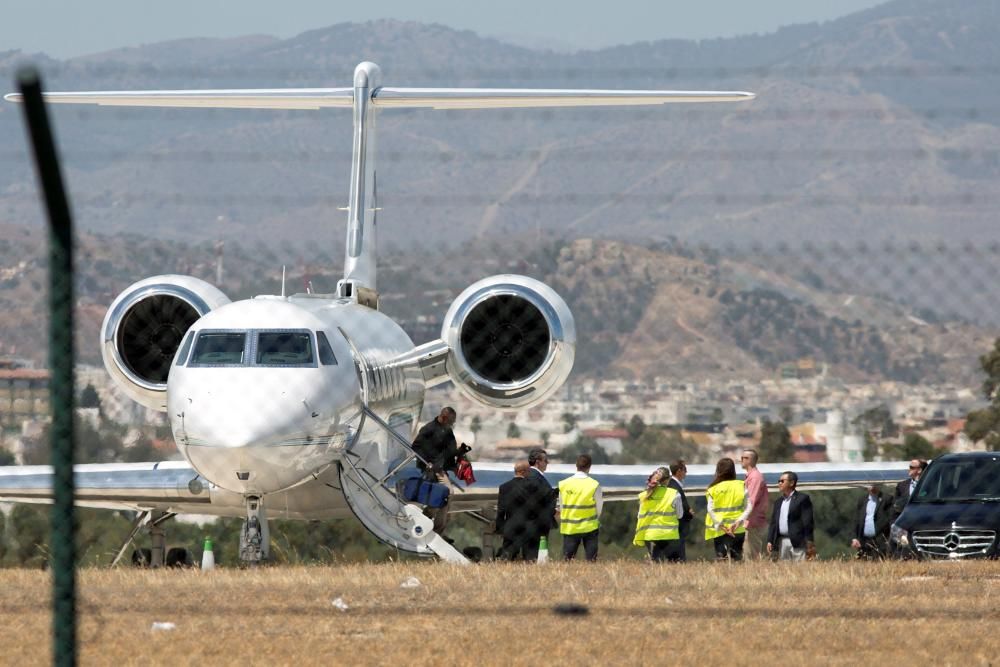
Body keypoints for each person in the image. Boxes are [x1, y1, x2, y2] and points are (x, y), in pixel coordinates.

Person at [411, 407, 462, 536]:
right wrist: (426, 462)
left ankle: (435, 526)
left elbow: (450, 449)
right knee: (446, 493)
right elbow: (416, 446)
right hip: (430, 470)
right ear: (444, 418)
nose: (452, 424)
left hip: (440, 469)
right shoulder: (429, 429)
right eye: (451, 421)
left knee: (447, 495)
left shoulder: (447, 430)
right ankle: (430, 520)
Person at [495, 460, 554, 561]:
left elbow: (501, 510)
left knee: (507, 558)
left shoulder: (504, 487)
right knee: (530, 559)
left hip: (511, 527)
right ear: (523, 472)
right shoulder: (533, 486)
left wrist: (500, 529)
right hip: (529, 528)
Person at [705, 458, 753, 561]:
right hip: (737, 529)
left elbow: (710, 509)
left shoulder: (712, 488)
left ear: (718, 471)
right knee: (737, 559)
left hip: (720, 530)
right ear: (733, 470)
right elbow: (749, 506)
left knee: (722, 559)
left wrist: (720, 525)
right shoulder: (741, 485)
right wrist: (738, 522)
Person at [558, 454, 602, 561]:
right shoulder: (594, 484)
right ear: (589, 467)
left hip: (570, 528)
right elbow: (599, 507)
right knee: (591, 561)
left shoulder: (564, 484)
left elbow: (561, 506)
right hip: (590, 527)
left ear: (576, 465)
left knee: (567, 560)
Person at [634, 467, 683, 562]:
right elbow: (680, 515)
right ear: (668, 479)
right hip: (669, 535)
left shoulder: (644, 495)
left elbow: (639, 516)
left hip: (650, 535)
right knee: (673, 565)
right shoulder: (674, 494)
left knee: (655, 564)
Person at [767, 471, 815, 561]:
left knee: (800, 570)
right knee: (784, 571)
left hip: (798, 542)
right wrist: (770, 540)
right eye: (778, 481)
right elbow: (773, 523)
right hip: (782, 542)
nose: (779, 483)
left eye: (782, 481)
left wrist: (809, 541)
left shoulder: (802, 499)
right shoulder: (778, 502)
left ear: (792, 483)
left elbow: (808, 521)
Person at [740, 448, 769, 559]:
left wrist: (739, 520)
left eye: (745, 458)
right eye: (742, 457)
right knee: (748, 554)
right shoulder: (750, 476)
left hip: (754, 522)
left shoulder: (755, 477)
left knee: (751, 556)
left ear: (752, 460)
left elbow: (751, 501)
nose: (742, 460)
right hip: (751, 521)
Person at [851, 483, 892, 560]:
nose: (872, 487)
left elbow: (891, 518)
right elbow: (856, 520)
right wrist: (854, 537)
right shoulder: (862, 500)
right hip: (864, 540)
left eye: (874, 484)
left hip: (880, 540)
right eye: (870, 484)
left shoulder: (887, 499)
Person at [527, 448, 558, 543]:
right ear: (538, 462)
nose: (547, 463)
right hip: (538, 523)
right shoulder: (536, 477)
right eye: (545, 461)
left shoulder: (528, 475)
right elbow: (546, 496)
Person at [667, 460, 694, 561]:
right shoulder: (675, 486)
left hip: (673, 527)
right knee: (679, 558)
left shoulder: (672, 484)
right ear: (679, 471)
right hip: (678, 527)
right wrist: (689, 513)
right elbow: (680, 507)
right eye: (685, 470)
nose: (686, 473)